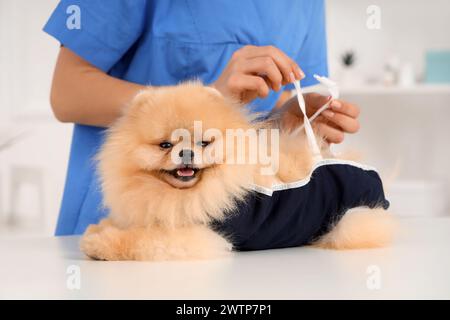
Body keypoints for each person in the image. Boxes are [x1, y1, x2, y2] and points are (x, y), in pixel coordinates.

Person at [44, 0, 360, 235]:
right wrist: (207, 101)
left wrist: (283, 125)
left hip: (239, 227)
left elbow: (271, 103)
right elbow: (66, 91)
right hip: (130, 224)